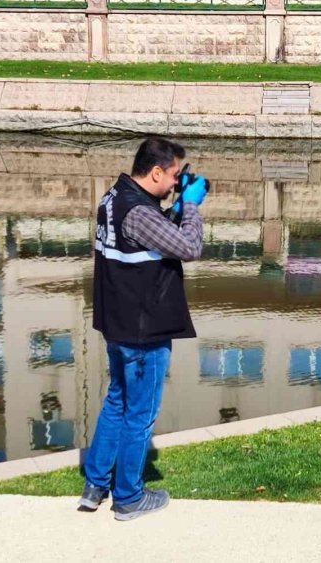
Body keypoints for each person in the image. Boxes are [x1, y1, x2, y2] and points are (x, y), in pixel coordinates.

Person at [79, 137, 208, 521]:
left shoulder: (113, 199)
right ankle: (129, 498)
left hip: (118, 325)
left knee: (117, 402)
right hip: (144, 331)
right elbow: (189, 247)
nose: (175, 183)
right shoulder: (139, 212)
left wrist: (176, 205)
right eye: (173, 175)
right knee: (140, 414)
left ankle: (95, 486)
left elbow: (152, 238)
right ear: (155, 172)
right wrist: (191, 207)